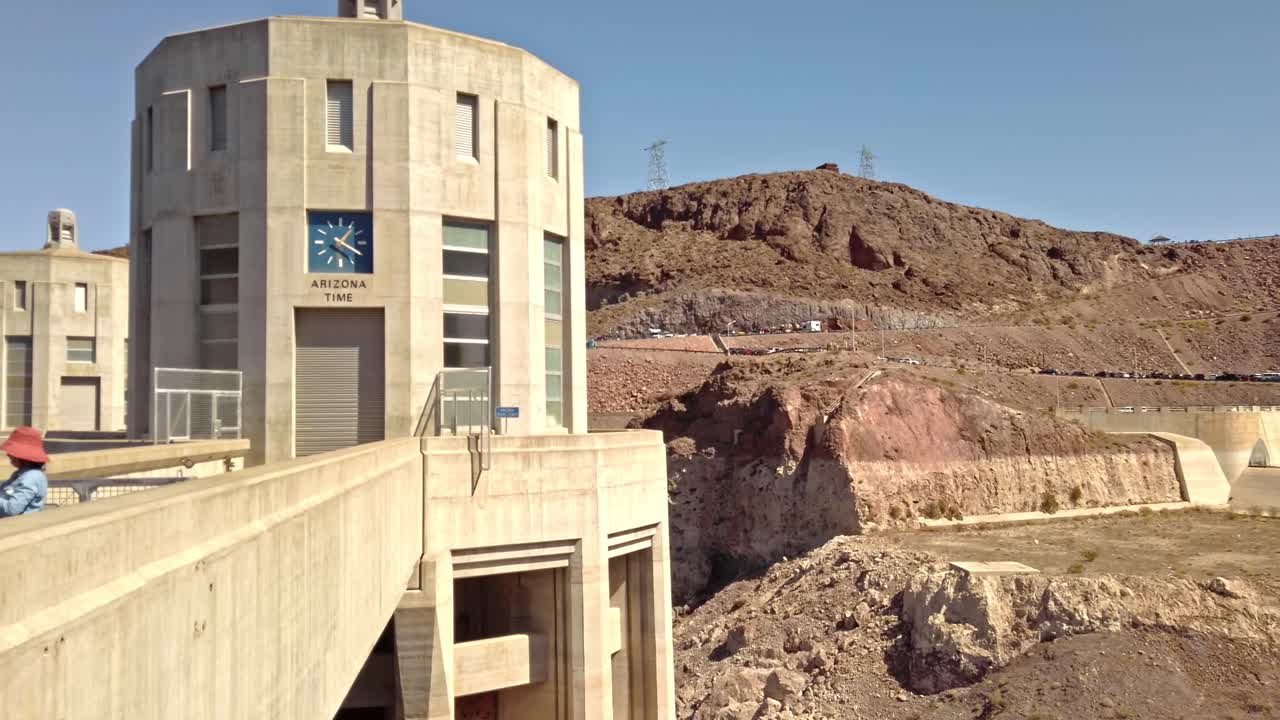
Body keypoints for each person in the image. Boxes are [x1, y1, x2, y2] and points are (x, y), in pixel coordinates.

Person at [0, 426, 48, 517]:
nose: (8, 455)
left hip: (20, 527)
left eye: (12, 452)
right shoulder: (20, 474)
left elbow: (12, 509)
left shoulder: (32, 477)